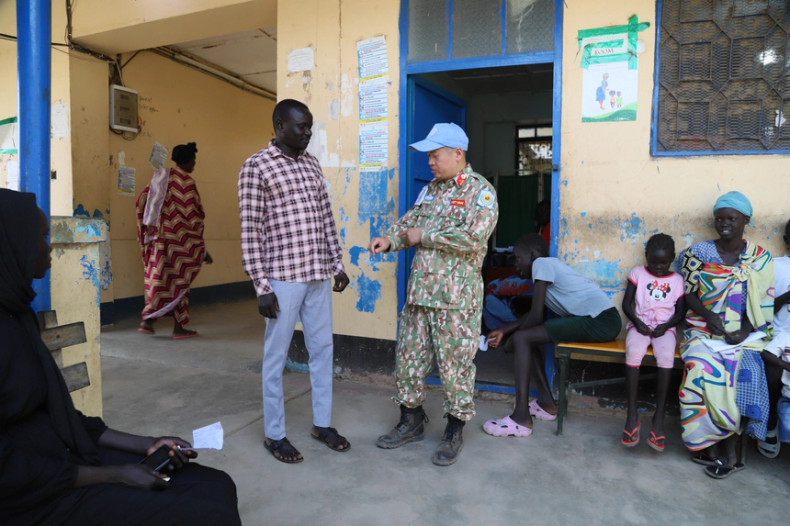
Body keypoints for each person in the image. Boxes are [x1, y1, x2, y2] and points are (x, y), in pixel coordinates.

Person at [0, 189, 241, 525]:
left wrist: (148, 445)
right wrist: (115, 475)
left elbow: (62, 416)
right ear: (12, 244)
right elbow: (9, 472)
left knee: (215, 485)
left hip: (65, 454)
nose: (49, 246)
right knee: (208, 515)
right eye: (40, 237)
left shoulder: (16, 314)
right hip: (35, 493)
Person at [369, 122, 498, 466]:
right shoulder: (430, 190)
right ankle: (410, 420)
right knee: (408, 361)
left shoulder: (480, 192)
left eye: (435, 154)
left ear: (457, 153)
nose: (430, 161)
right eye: (428, 155)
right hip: (420, 295)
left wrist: (423, 236)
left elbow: (473, 238)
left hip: (455, 301)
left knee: (456, 368)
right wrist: (390, 239)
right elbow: (409, 223)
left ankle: (454, 430)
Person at [238, 99, 350, 464]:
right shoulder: (256, 166)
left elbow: (325, 218)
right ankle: (274, 435)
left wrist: (337, 264)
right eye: (301, 126)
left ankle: (322, 424)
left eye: (310, 126)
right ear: (279, 125)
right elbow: (251, 231)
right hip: (282, 279)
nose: (308, 132)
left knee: (322, 350)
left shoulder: (312, 164)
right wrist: (261, 286)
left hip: (317, 274)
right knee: (276, 358)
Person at [483, 234, 621, 438]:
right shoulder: (544, 273)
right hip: (598, 320)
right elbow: (533, 314)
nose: (516, 264)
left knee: (522, 339)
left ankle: (521, 418)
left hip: (601, 320)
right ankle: (547, 404)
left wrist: (512, 339)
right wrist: (505, 330)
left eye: (518, 258)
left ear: (532, 255)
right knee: (526, 339)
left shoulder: (542, 264)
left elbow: (536, 316)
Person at [678, 191, 774, 479]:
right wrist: (709, 317)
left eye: (732, 219)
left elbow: (763, 301)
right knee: (699, 368)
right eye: (719, 219)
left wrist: (743, 331)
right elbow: (689, 294)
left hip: (747, 333)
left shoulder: (760, 258)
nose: (725, 224)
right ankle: (710, 446)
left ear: (746, 220)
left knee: (742, 372)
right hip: (702, 330)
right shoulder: (697, 254)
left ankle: (729, 453)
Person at [135, 142, 212, 339]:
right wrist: (199, 246)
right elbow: (194, 214)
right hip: (181, 243)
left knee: (158, 278)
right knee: (180, 282)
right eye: (193, 160)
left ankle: (150, 321)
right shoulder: (187, 182)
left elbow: (141, 200)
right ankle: (174, 326)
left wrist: (149, 227)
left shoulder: (161, 177)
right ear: (188, 160)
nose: (194, 164)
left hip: (159, 240)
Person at [620, 233, 685, 451]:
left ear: (672, 259)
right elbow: (626, 304)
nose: (658, 267)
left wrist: (666, 326)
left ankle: (658, 419)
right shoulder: (638, 273)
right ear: (646, 255)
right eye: (654, 262)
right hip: (639, 325)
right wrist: (637, 322)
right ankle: (632, 415)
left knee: (666, 356)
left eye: (664, 263)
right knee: (633, 351)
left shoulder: (677, 281)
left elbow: (680, 312)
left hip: (664, 328)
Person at [759, 218, 790, 457]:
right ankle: (770, 424)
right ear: (787, 240)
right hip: (780, 336)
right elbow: (762, 309)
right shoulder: (776, 267)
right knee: (772, 371)